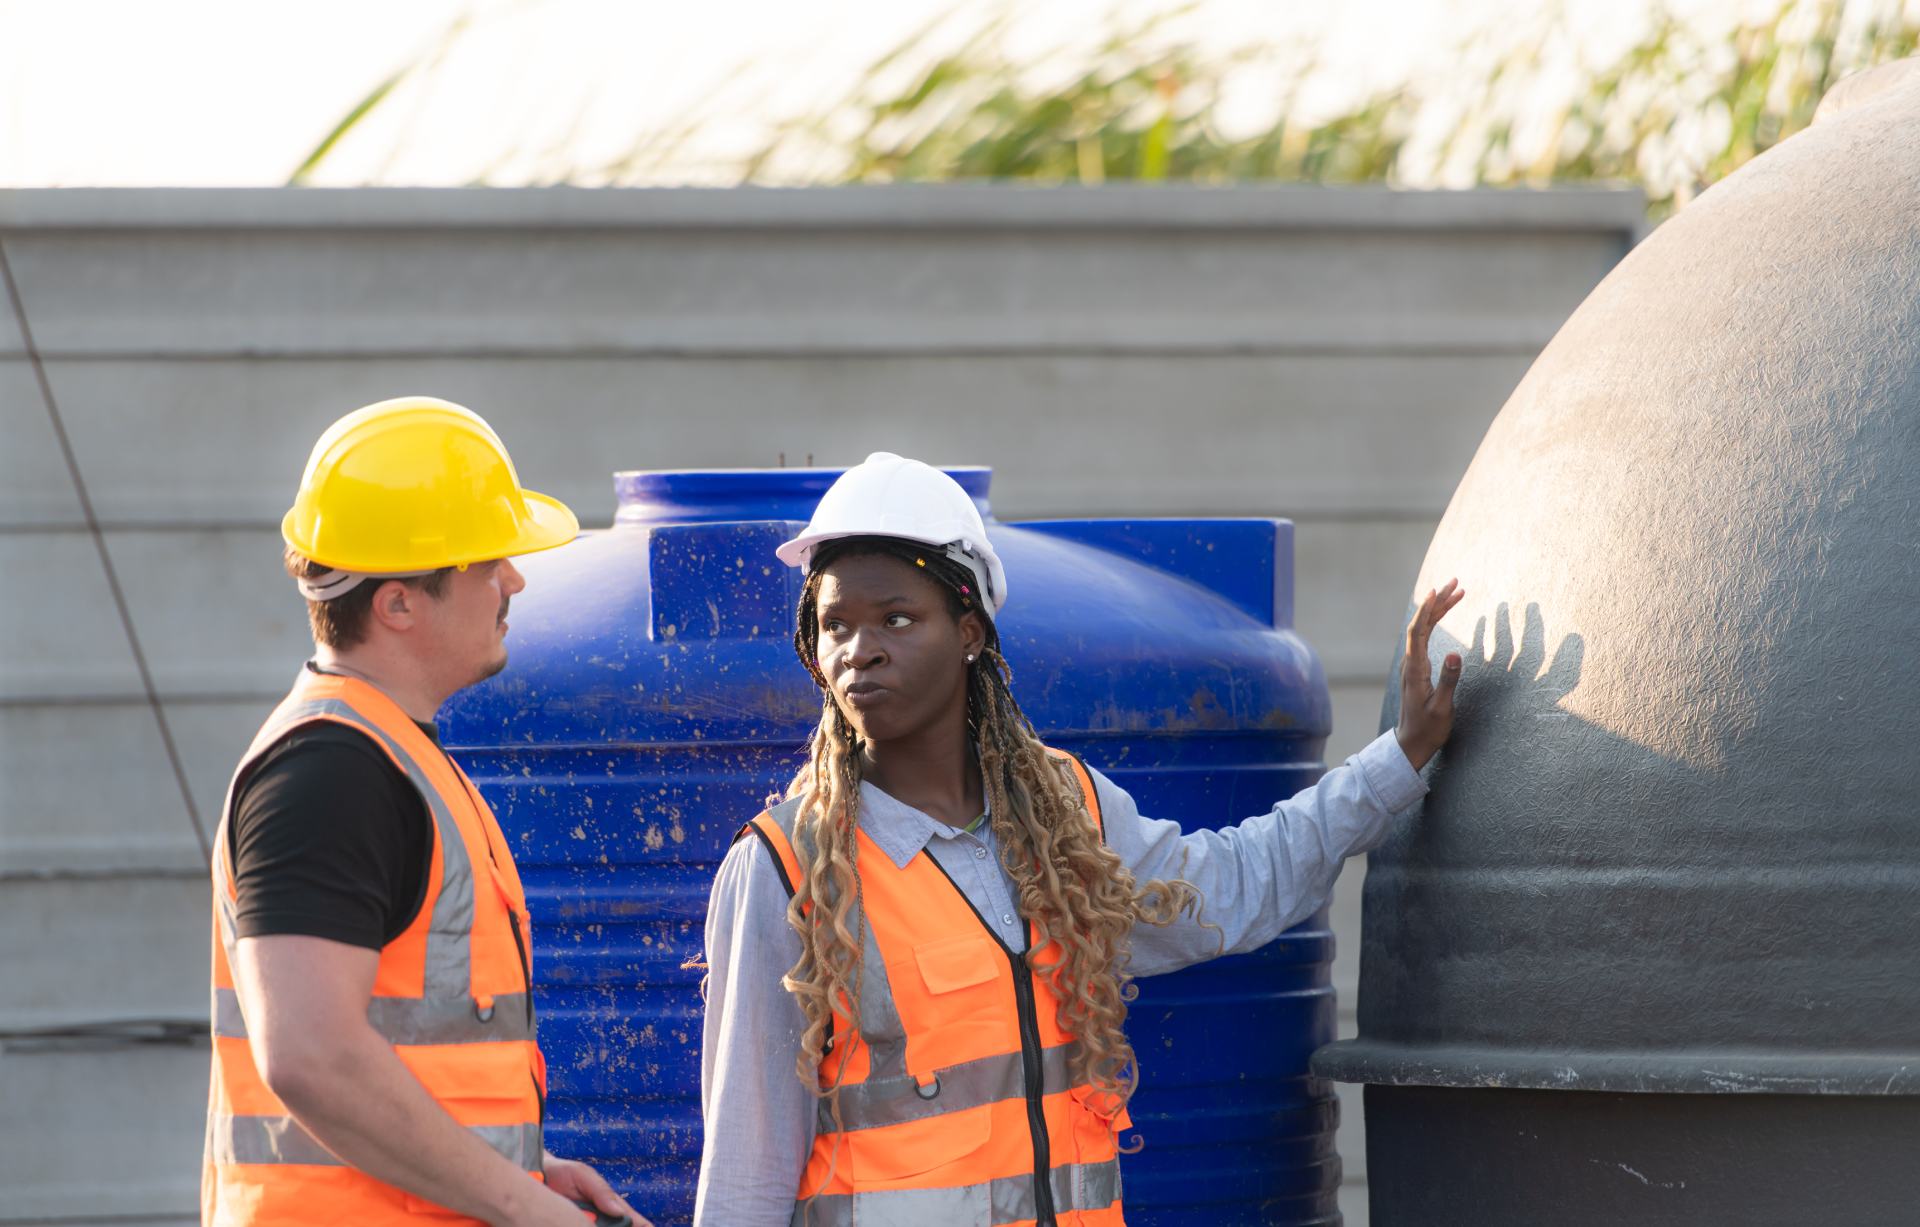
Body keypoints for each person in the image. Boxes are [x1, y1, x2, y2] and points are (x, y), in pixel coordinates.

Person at [695, 451, 1466, 1226]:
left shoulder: (1067, 816)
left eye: (896, 617)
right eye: (834, 624)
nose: (859, 648)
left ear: (969, 631)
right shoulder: (787, 870)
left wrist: (1397, 758)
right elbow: (744, 1178)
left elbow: (1231, 884)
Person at [203, 397, 645, 1227]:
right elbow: (311, 1056)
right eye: (486, 560)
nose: (513, 580)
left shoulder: (388, 756)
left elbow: (409, 1051)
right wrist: (523, 1204)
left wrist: (524, 1167)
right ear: (399, 604)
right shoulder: (330, 773)